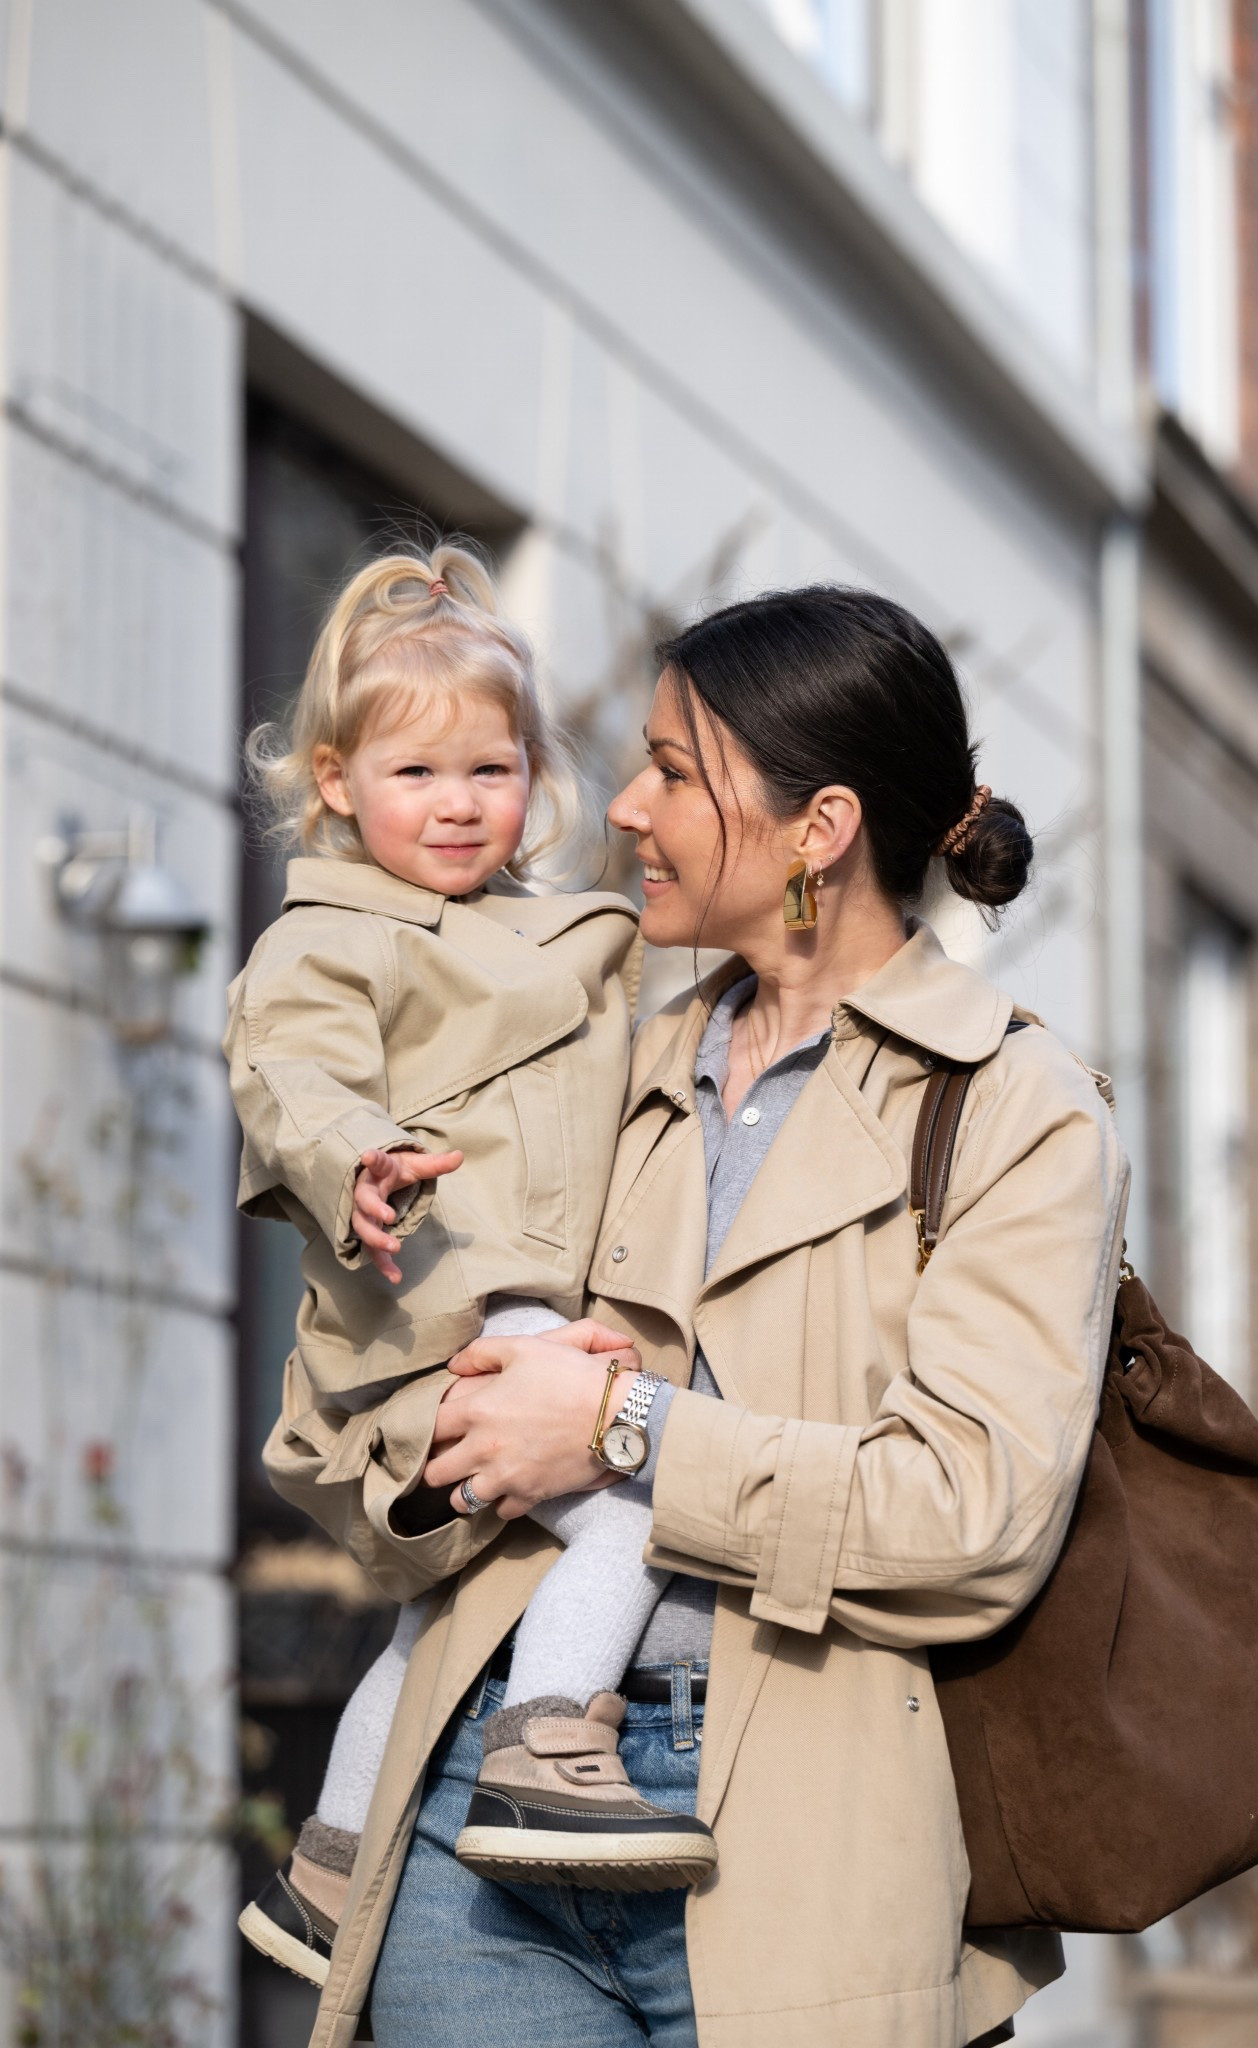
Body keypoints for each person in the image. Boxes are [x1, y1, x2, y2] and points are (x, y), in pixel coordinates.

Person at [267, 585, 1130, 2048]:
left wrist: (617, 1426)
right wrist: (433, 1428)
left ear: (819, 828)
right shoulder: (599, 1057)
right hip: (479, 1810)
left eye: (672, 770)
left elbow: (969, 1516)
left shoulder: (1014, 1110)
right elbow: (366, 1414)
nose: (617, 808)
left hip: (811, 1838)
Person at [225, 543, 719, 1990]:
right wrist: (355, 1160)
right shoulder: (328, 935)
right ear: (333, 782)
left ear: (532, 777)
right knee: (632, 1511)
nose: (456, 806)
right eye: (415, 775)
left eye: (487, 773)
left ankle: (327, 1867)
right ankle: (549, 1744)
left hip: (527, 1282)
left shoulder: (562, 931)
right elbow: (293, 1081)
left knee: (441, 1610)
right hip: (436, 1286)